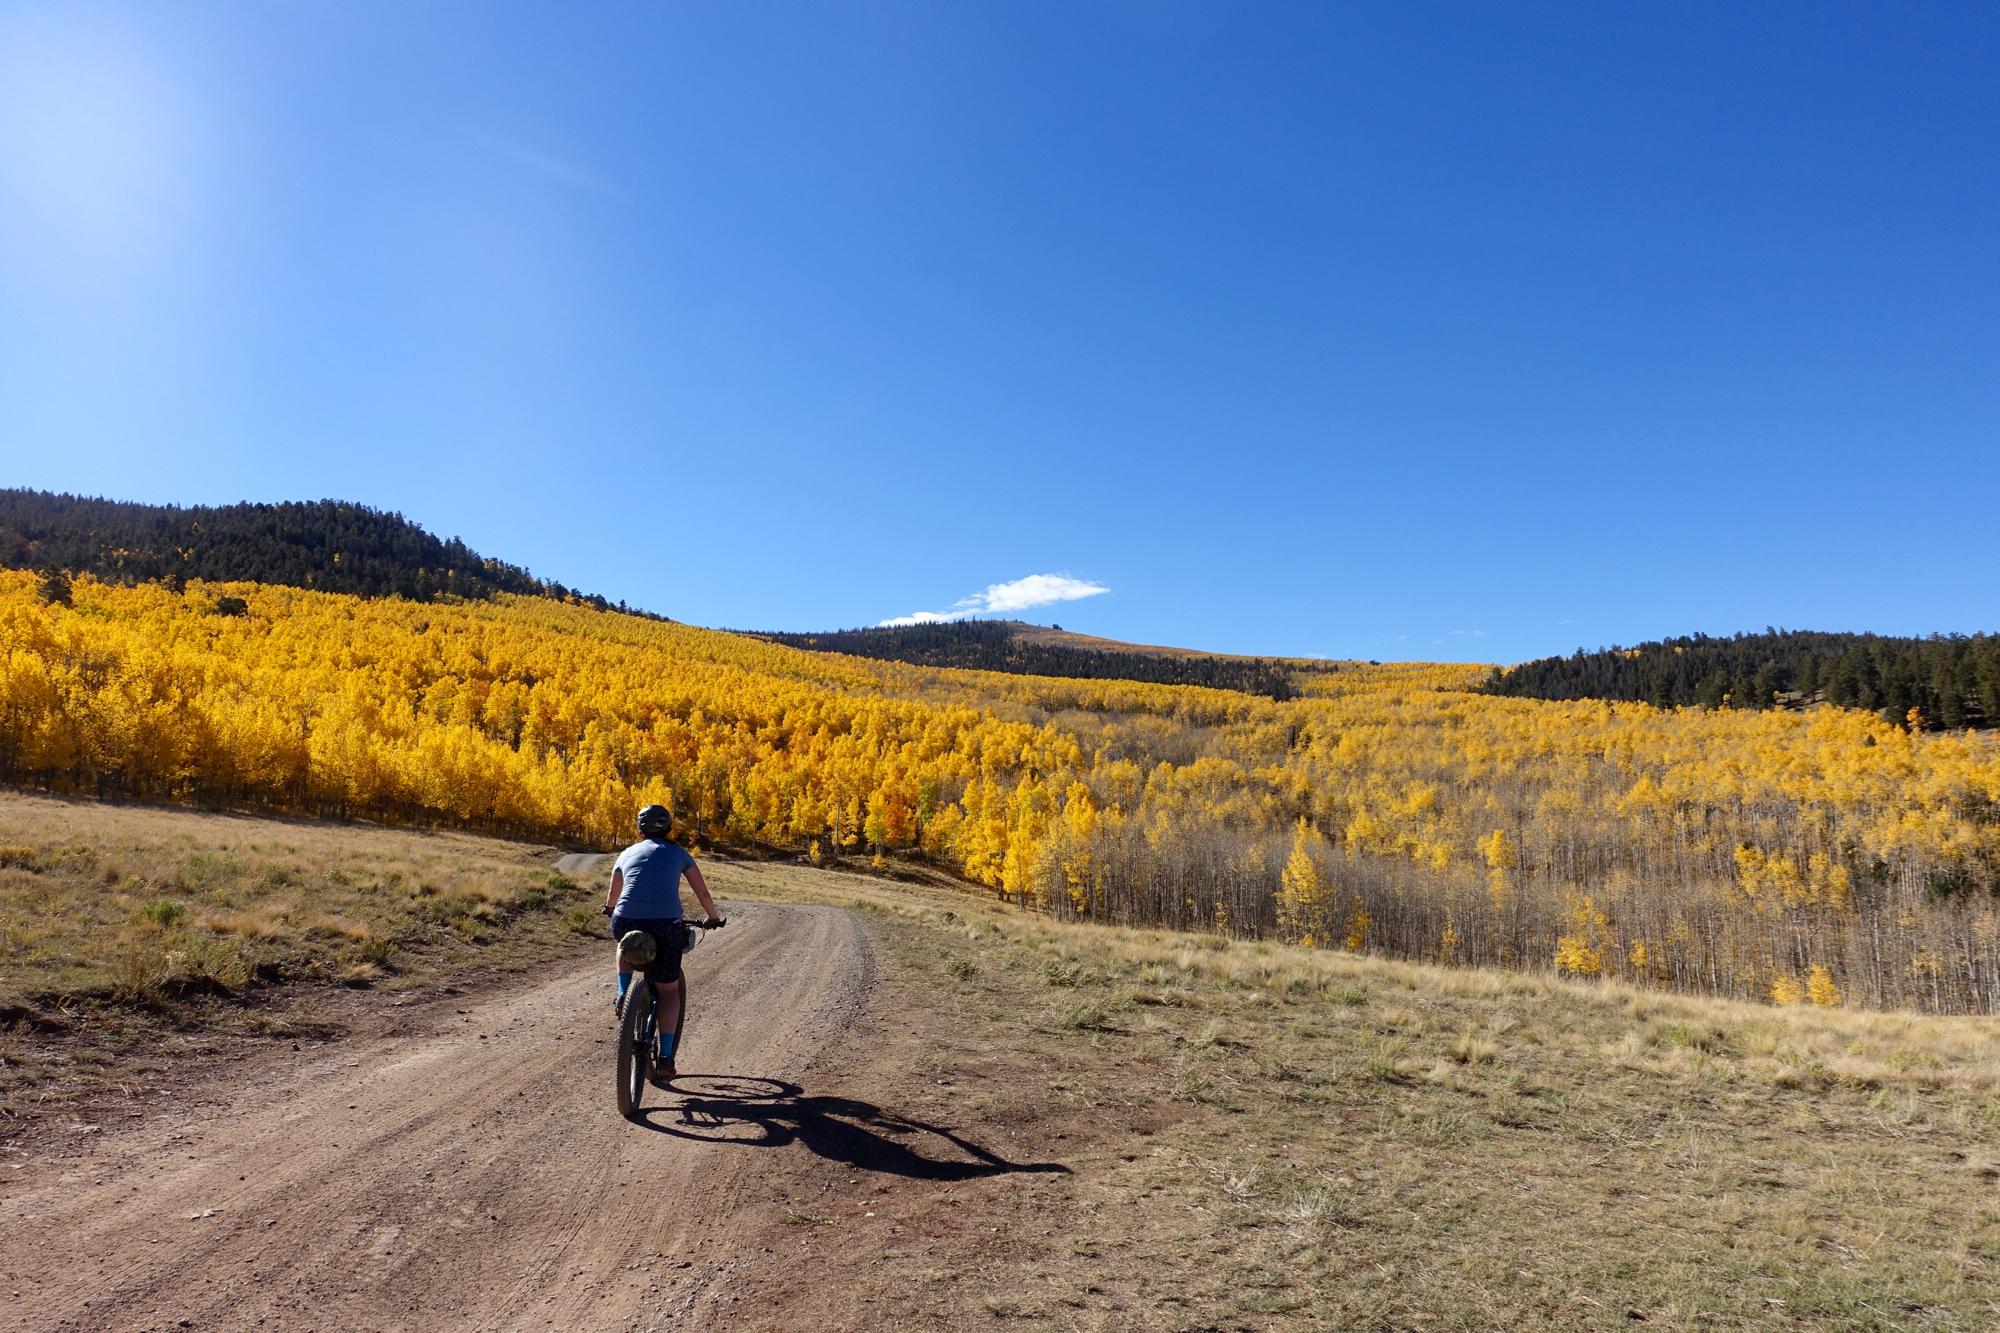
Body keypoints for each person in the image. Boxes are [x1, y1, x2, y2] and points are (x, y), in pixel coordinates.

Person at [603, 804, 723, 1081]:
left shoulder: (626, 853)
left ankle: (623, 993)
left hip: (625, 918)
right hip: (666, 924)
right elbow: (702, 891)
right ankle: (666, 1057)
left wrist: (610, 909)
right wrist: (712, 917)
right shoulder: (679, 854)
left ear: (640, 829)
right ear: (668, 828)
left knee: (625, 942)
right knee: (668, 990)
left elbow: (613, 893)